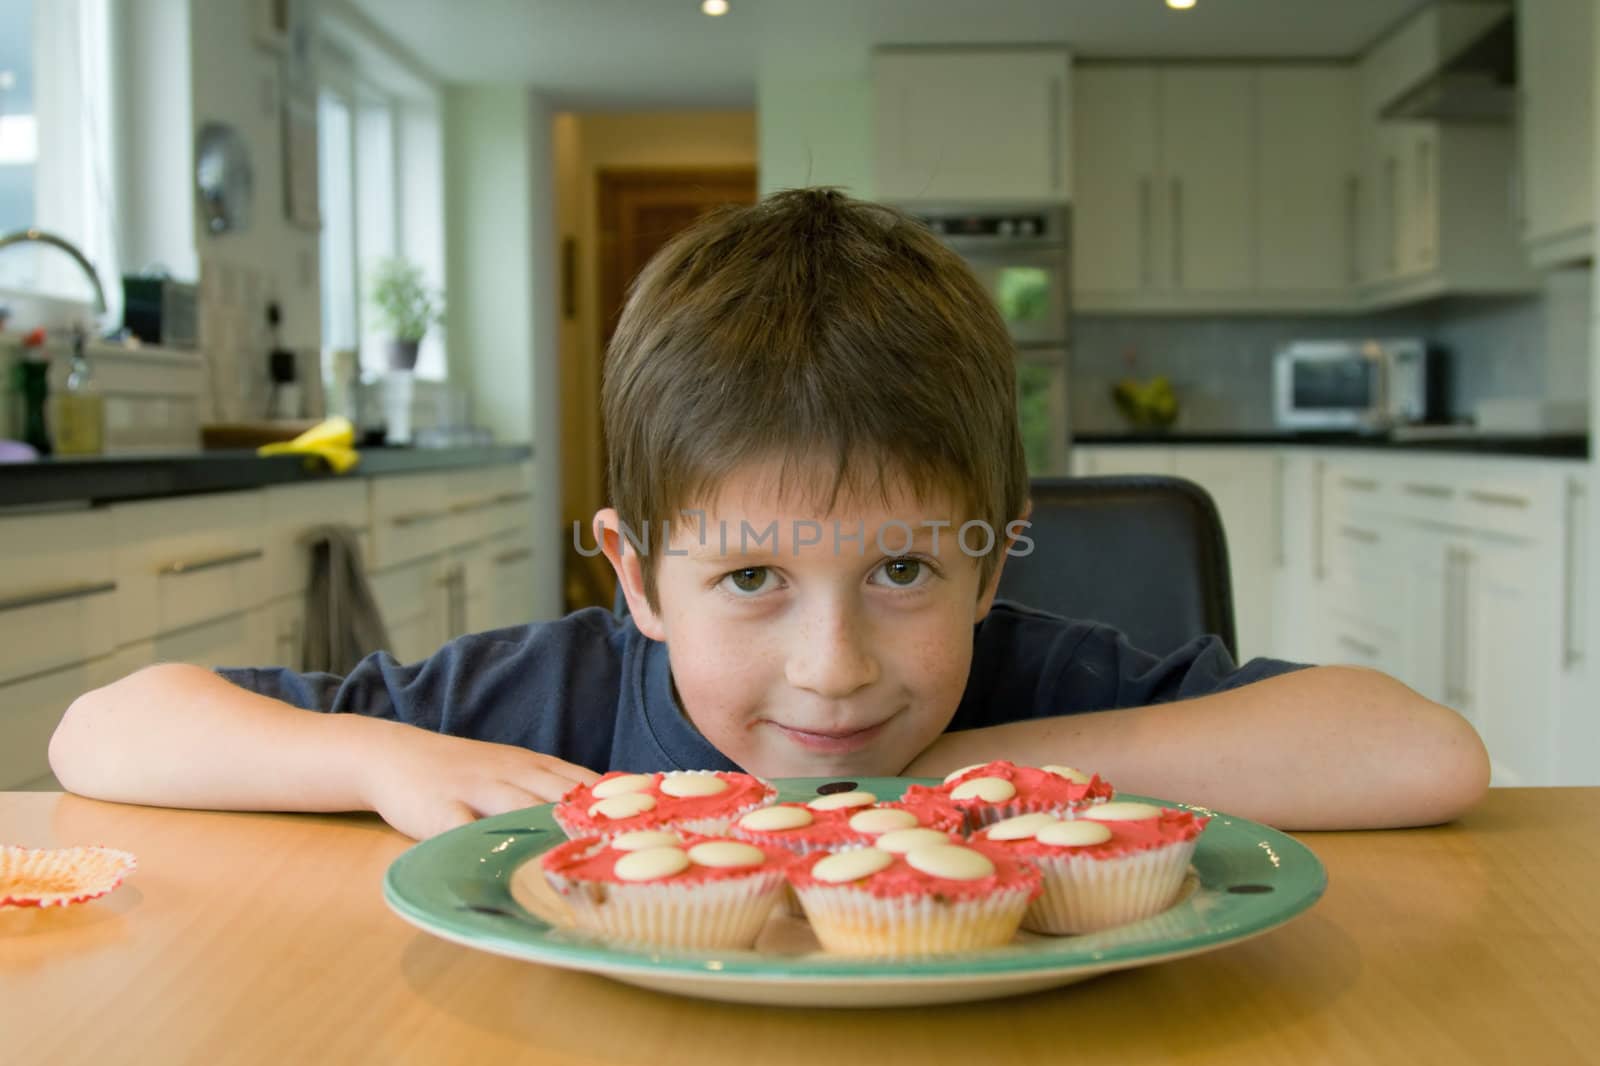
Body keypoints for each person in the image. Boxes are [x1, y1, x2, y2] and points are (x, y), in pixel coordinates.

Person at [49, 189, 1489, 841]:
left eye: (907, 566)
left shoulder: (1025, 685)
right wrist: (377, 760)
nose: (836, 666)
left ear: (990, 556)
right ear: (638, 572)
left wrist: (996, 768)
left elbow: (1423, 753)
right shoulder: (544, 705)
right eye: (749, 578)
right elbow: (98, 731)